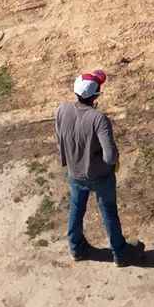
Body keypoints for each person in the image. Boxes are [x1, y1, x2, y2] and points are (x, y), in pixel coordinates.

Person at [55, 68, 137, 264]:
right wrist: (111, 158)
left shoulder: (62, 109)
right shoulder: (98, 119)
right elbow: (110, 157)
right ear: (95, 95)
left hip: (75, 173)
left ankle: (75, 248)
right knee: (108, 210)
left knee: (76, 208)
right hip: (100, 176)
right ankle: (120, 253)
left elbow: (60, 138)